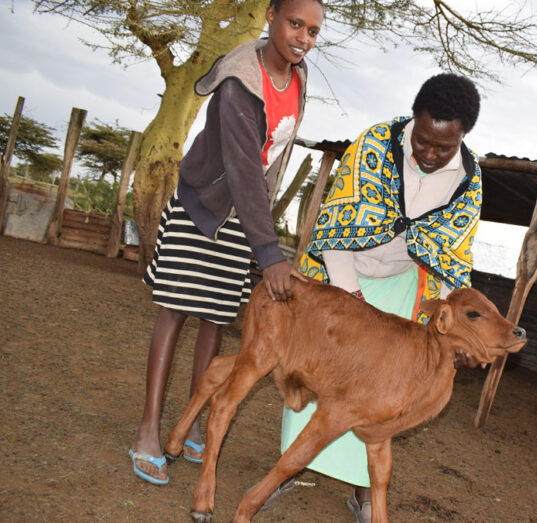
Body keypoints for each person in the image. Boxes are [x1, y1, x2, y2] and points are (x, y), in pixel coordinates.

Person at [128, 0, 324, 485]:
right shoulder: (239, 80)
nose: (303, 37)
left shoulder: (299, 82)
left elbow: (268, 166)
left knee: (216, 320)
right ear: (271, 17)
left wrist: (260, 234)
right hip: (204, 206)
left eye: (314, 31)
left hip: (243, 219)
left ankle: (191, 422)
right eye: (295, 24)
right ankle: (148, 432)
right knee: (175, 312)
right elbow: (239, 167)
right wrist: (270, 252)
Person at [283, 73, 483, 522]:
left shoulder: (469, 180)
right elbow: (335, 228)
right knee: (321, 374)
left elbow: (453, 257)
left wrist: (464, 333)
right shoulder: (375, 143)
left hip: (402, 283)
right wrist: (350, 302)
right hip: (344, 272)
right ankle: (289, 470)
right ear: (414, 119)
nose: (429, 154)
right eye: (423, 140)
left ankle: (363, 492)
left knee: (385, 391)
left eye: (443, 147)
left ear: (463, 137)